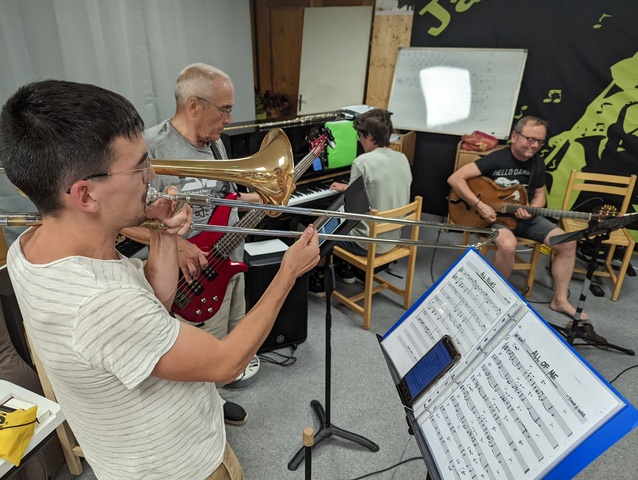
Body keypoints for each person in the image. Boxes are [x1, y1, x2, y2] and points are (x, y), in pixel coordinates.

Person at [0, 79, 320, 480]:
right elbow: (226, 363)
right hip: (179, 467)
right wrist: (288, 273)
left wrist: (165, 236)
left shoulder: (30, 247)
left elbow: (153, 303)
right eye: (140, 166)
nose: (152, 174)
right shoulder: (101, 304)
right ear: (85, 195)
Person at [121, 63, 261, 426]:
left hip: (229, 260)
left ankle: (214, 399)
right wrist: (178, 246)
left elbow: (221, 199)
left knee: (230, 340)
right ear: (194, 105)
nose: (229, 119)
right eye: (224, 110)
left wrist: (255, 200)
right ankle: (201, 420)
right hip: (191, 277)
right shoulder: (151, 148)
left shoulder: (215, 144)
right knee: (204, 356)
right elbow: (124, 221)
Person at [447, 115, 607, 346]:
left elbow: (540, 194)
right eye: (530, 139)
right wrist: (479, 205)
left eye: (539, 141)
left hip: (524, 218)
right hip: (492, 218)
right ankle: (495, 297)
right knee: (508, 244)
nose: (534, 145)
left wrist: (533, 209)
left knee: (568, 242)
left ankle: (560, 300)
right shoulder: (497, 158)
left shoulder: (537, 163)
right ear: (514, 136)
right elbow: (455, 179)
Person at [309, 108, 413, 296]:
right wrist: (348, 187)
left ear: (370, 136)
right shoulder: (402, 157)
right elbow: (379, 187)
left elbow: (351, 208)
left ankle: (319, 281)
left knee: (319, 229)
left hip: (367, 244)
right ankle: (346, 270)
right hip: (393, 238)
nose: (360, 141)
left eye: (360, 136)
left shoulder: (362, 162)